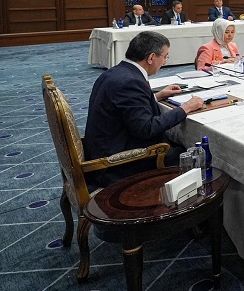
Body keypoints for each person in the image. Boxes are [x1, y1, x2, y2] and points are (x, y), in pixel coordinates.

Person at [84, 31, 204, 188]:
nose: (165, 62)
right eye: (165, 57)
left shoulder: (115, 72)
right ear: (151, 57)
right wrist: (185, 108)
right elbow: (146, 128)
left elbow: (123, 106)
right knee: (191, 152)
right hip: (115, 165)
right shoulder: (131, 82)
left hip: (105, 146)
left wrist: (156, 96)